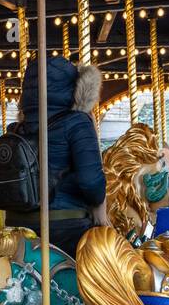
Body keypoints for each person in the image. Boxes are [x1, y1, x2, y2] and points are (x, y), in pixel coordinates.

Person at [11, 57, 106, 257]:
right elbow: (91, 182)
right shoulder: (78, 123)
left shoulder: (17, 129)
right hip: (65, 226)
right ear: (74, 87)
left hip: (17, 226)